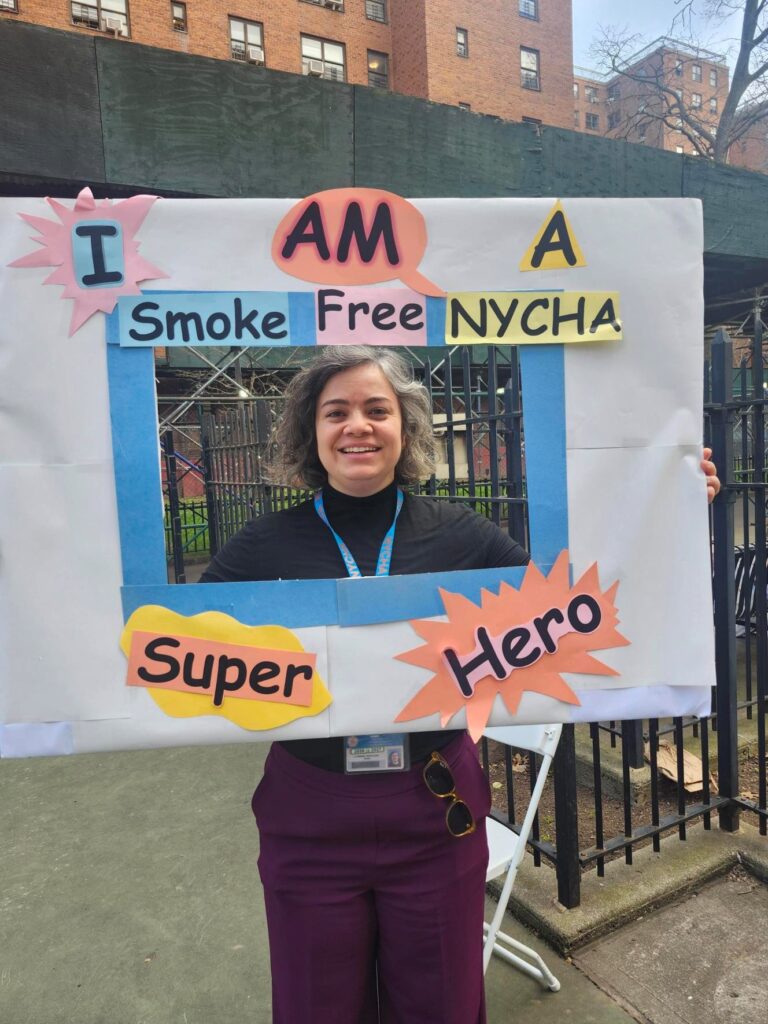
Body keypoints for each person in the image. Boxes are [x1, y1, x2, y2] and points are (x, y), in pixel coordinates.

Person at [201, 346, 720, 1024]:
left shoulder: (462, 535)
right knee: (314, 1006)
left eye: (377, 410)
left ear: (406, 428)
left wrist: (669, 517)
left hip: (433, 809)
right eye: (336, 412)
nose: (358, 425)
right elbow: (178, 649)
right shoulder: (262, 544)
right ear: (311, 432)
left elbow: (574, 611)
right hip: (310, 816)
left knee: (441, 1005)